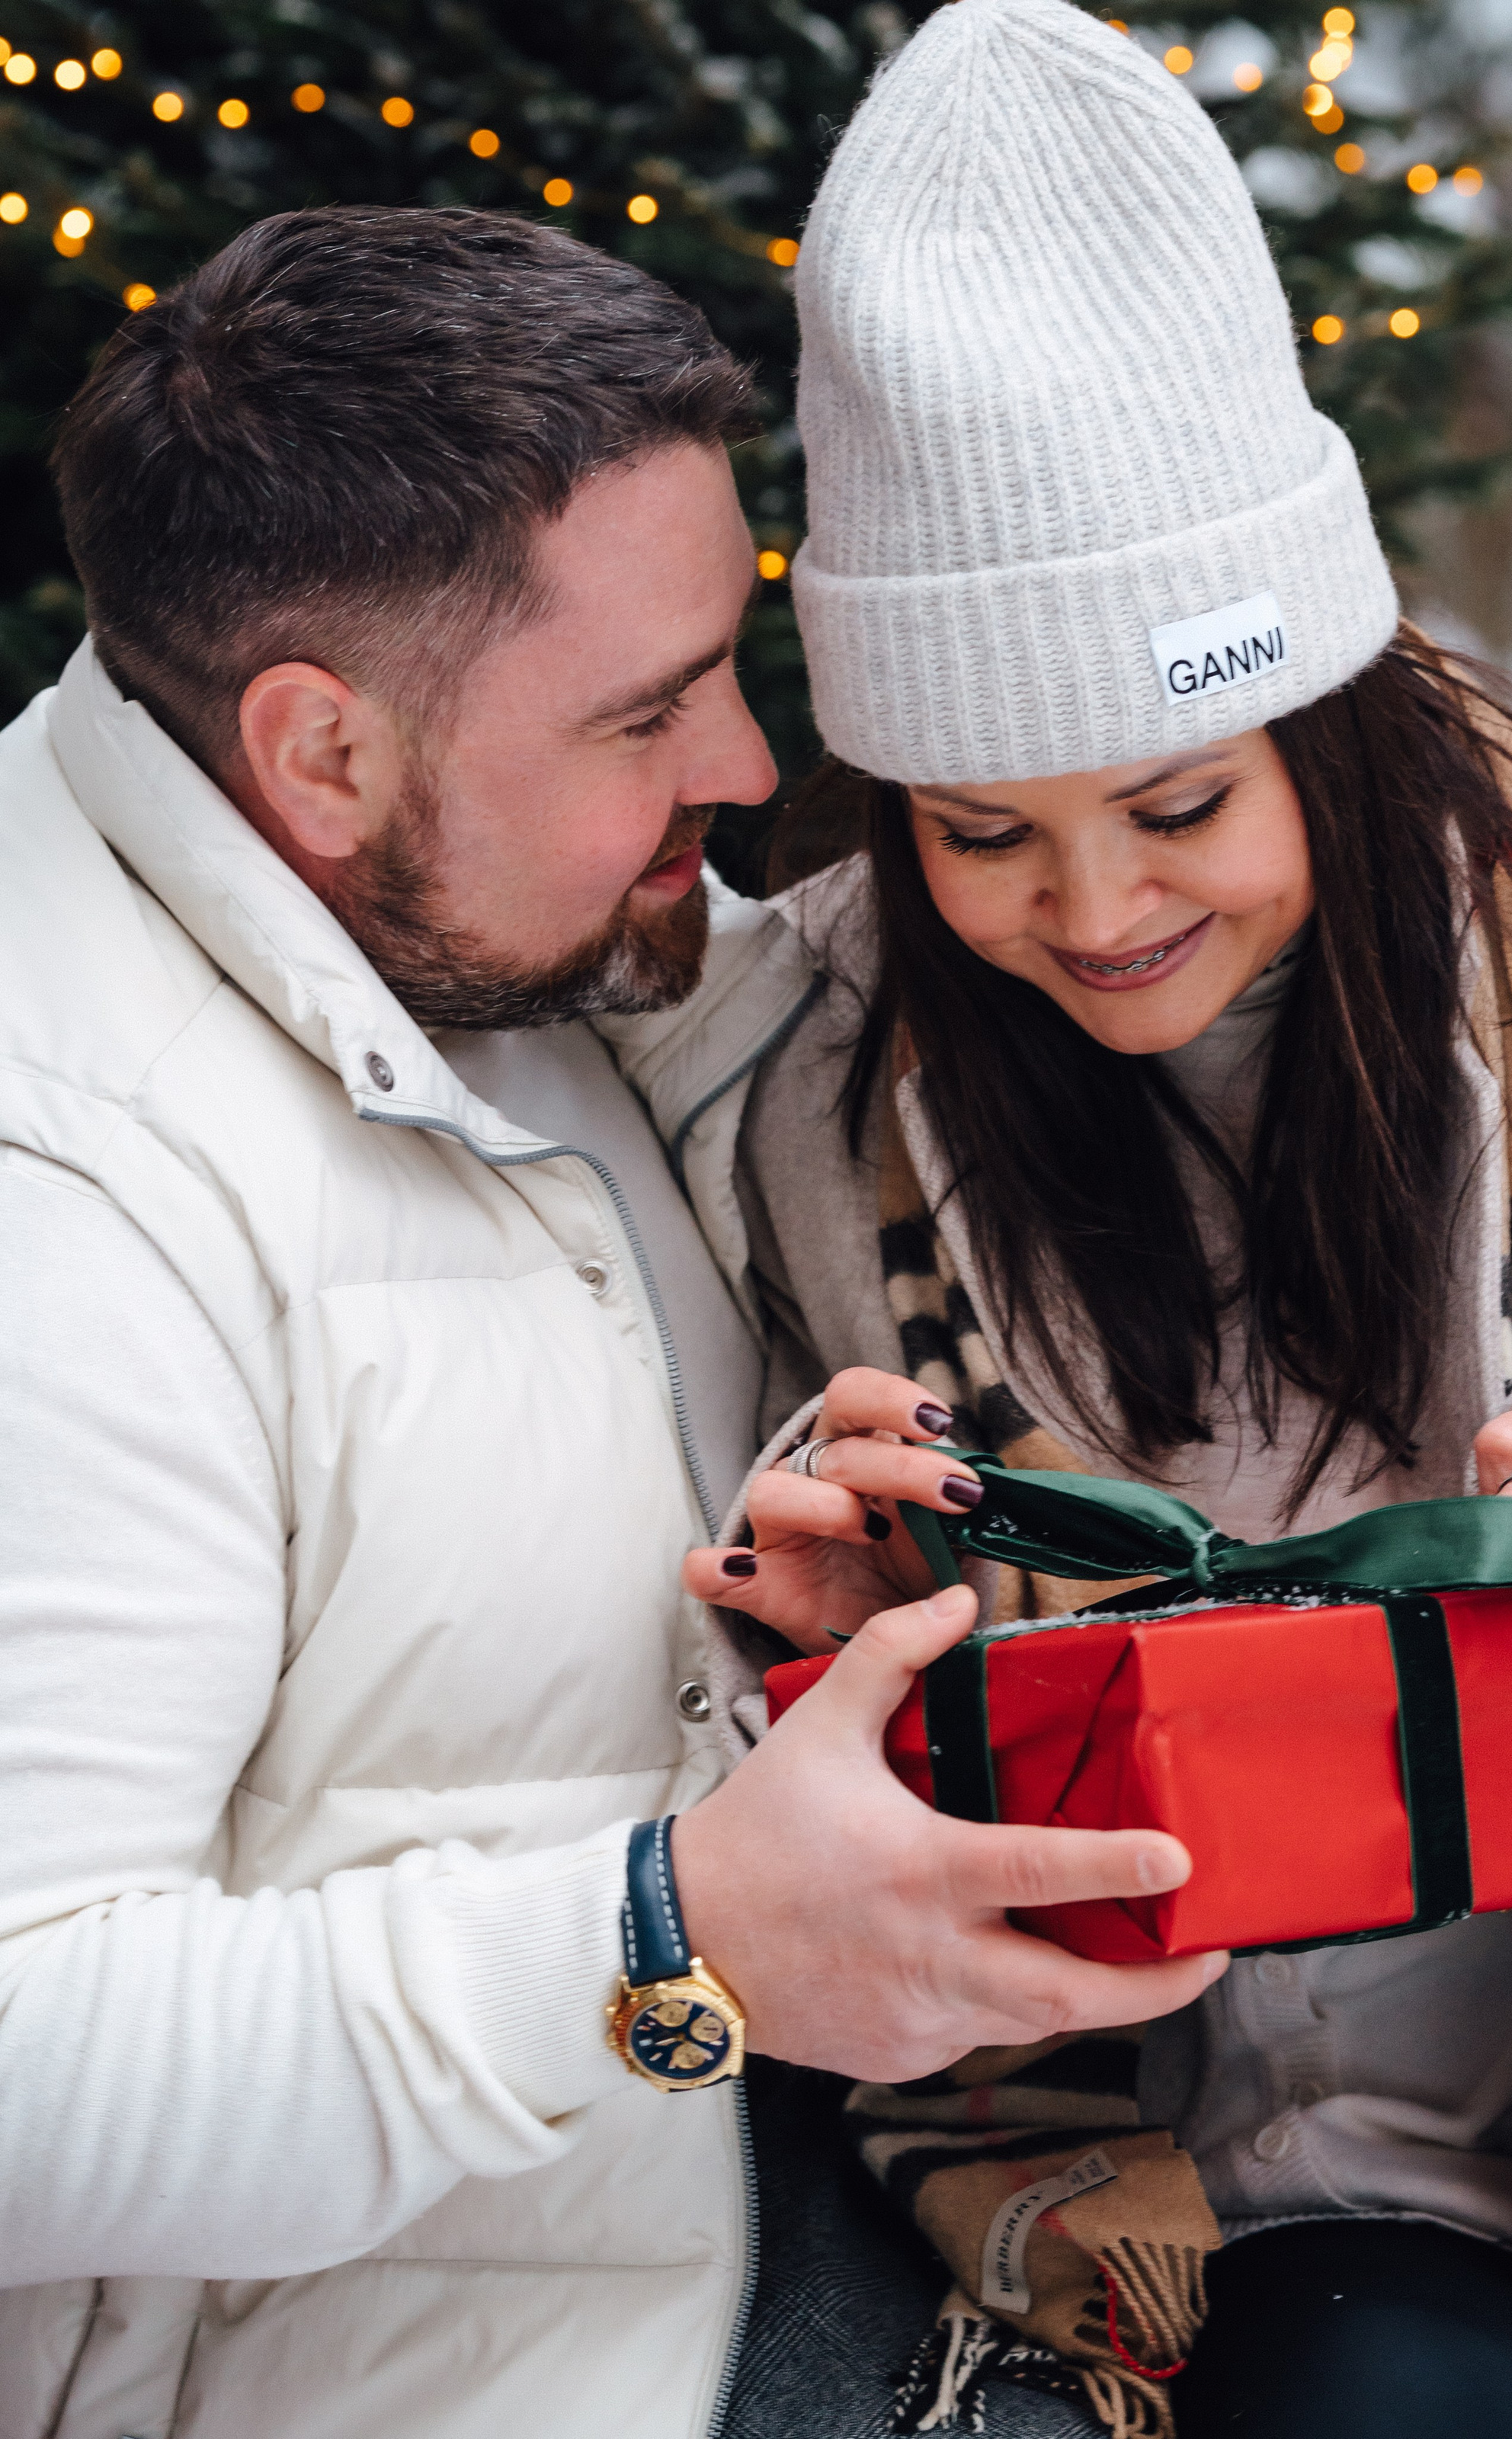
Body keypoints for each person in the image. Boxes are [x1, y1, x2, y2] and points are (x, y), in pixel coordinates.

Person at [691, 4, 1512, 2434]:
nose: (1091, 910)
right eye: (983, 832)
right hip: (1165, 2162)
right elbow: (800, 1677)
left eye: (1176, 800)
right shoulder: (827, 1083)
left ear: (1329, 717)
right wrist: (848, 1625)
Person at [0, 206, 1230, 2439]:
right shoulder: (60, 1199)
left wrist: (773, 1645)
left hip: (749, 2217)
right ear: (321, 754)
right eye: (653, 710)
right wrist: (670, 1942)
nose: (749, 771)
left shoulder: (511, 950)